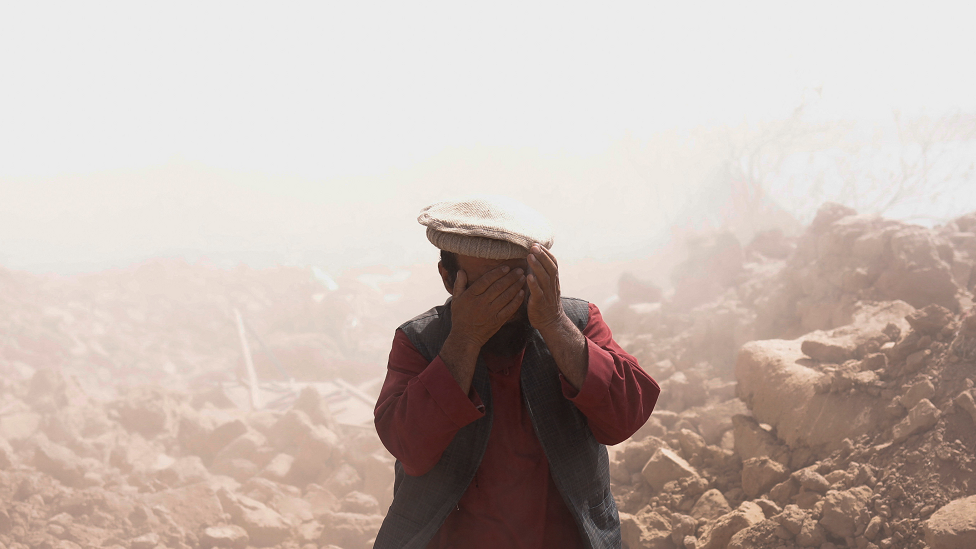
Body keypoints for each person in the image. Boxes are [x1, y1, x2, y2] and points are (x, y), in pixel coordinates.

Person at [373, 196, 660, 549]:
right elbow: (408, 446)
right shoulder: (420, 341)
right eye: (486, 289)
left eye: (515, 284)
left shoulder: (578, 322)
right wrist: (464, 338)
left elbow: (626, 416)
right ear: (448, 278)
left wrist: (554, 324)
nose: (504, 304)